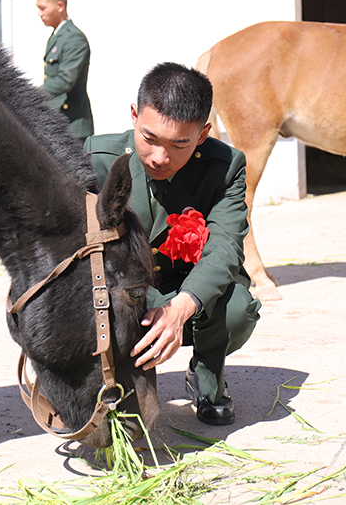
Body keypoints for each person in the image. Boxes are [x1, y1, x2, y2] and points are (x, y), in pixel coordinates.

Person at [84, 63, 261, 425]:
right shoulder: (98, 160)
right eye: (149, 139)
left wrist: (181, 307)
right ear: (134, 116)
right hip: (123, 291)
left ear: (202, 135)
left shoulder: (225, 167)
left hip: (186, 288)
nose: (160, 157)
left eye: (180, 144)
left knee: (237, 309)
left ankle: (206, 376)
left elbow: (226, 247)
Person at [35, 0, 94, 141]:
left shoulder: (73, 38)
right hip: (61, 121)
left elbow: (65, 81)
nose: (39, 14)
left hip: (74, 125)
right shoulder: (57, 37)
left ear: (60, 6)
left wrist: (33, 95)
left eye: (43, 8)